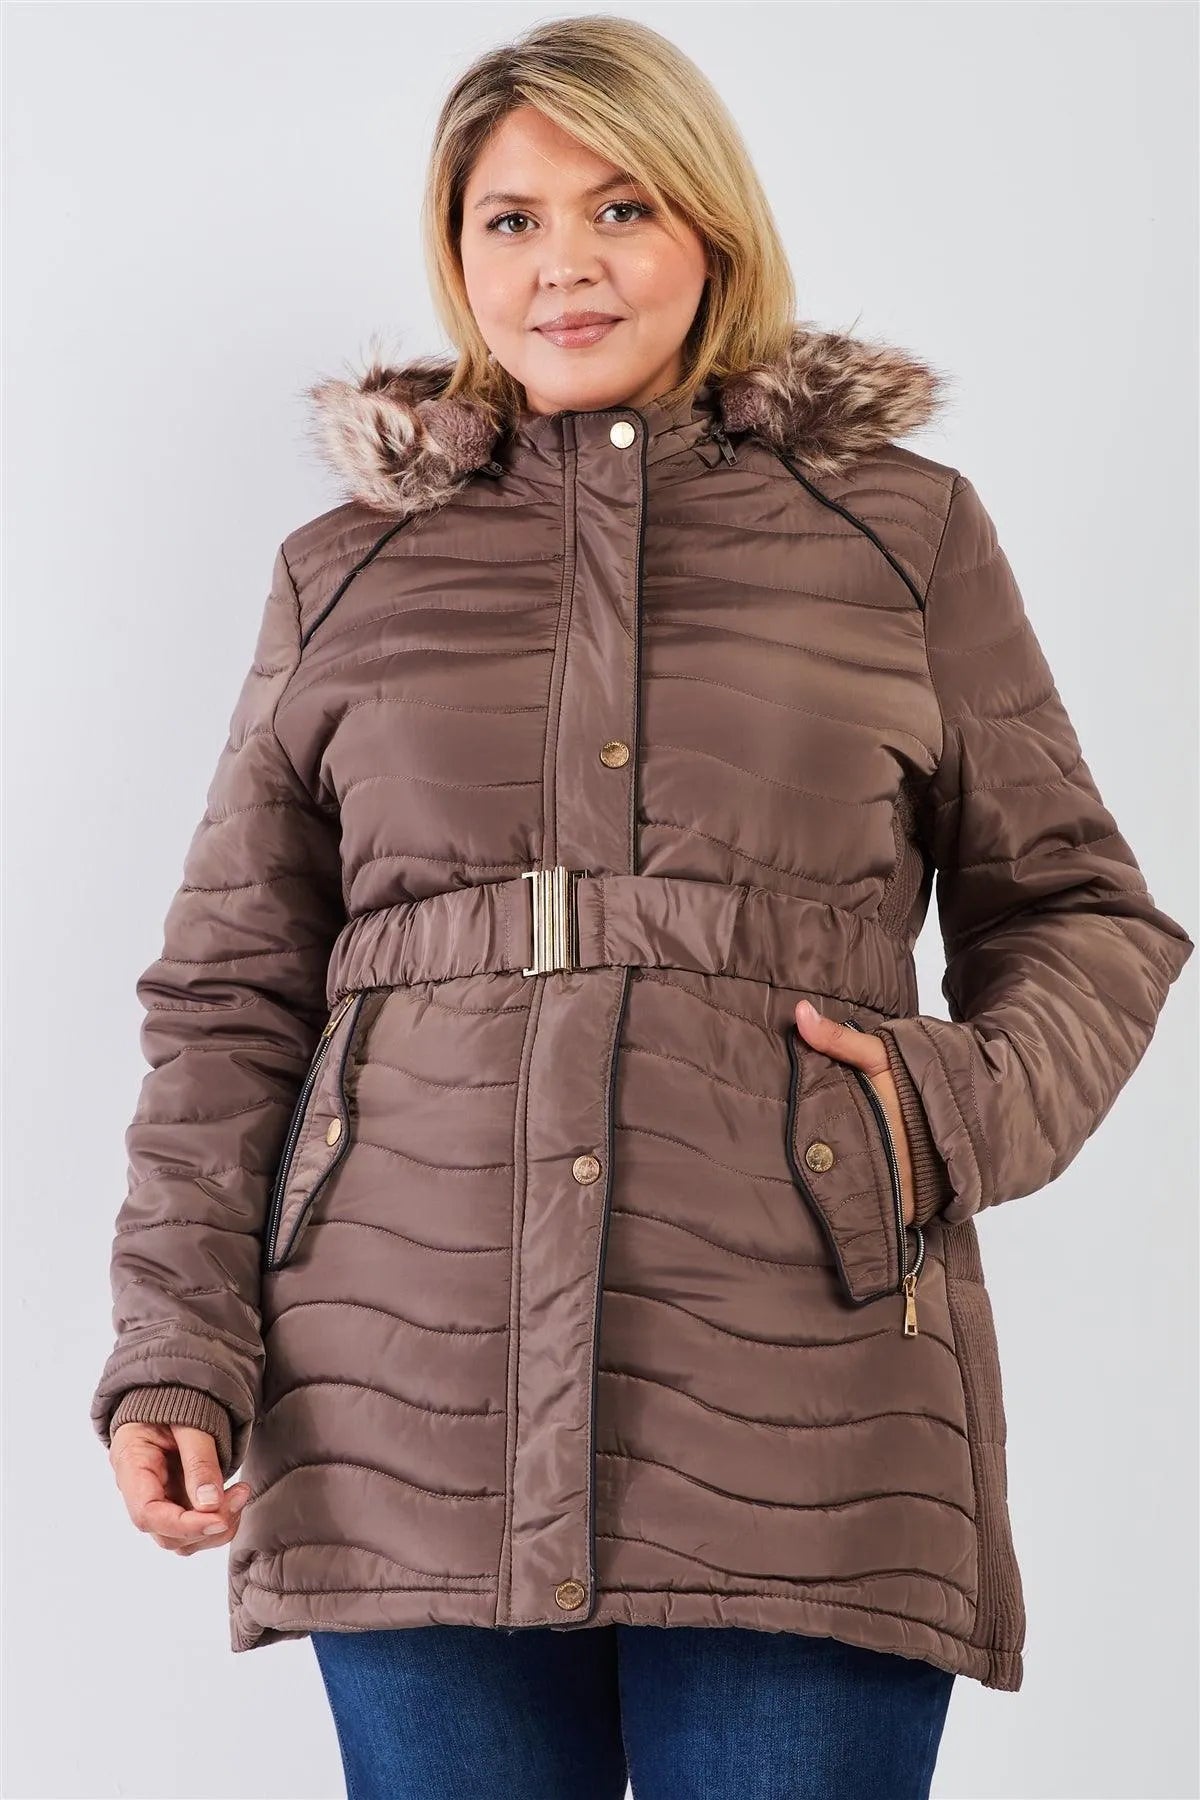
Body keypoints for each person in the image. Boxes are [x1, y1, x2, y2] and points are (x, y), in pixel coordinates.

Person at [90, 15, 1194, 1800]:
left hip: (804, 1391)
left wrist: (934, 1110)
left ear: (711, 229)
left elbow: (1083, 914)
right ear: (457, 255)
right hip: (399, 1399)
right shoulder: (345, 570)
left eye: (620, 208)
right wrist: (173, 1345)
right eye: (510, 220)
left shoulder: (898, 533)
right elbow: (231, 995)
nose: (566, 264)